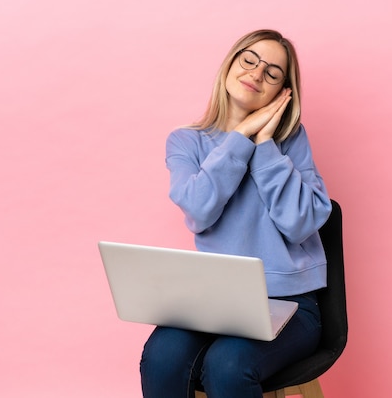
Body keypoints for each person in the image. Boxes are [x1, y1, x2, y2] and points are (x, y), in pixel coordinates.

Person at [139, 29, 332, 398]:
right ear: (231, 62)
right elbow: (198, 210)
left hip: (290, 305)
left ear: (282, 91)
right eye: (250, 60)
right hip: (213, 301)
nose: (257, 74)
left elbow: (300, 223)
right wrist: (240, 137)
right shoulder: (186, 141)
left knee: (228, 365)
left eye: (273, 72)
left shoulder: (291, 140)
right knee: (161, 357)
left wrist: (264, 145)